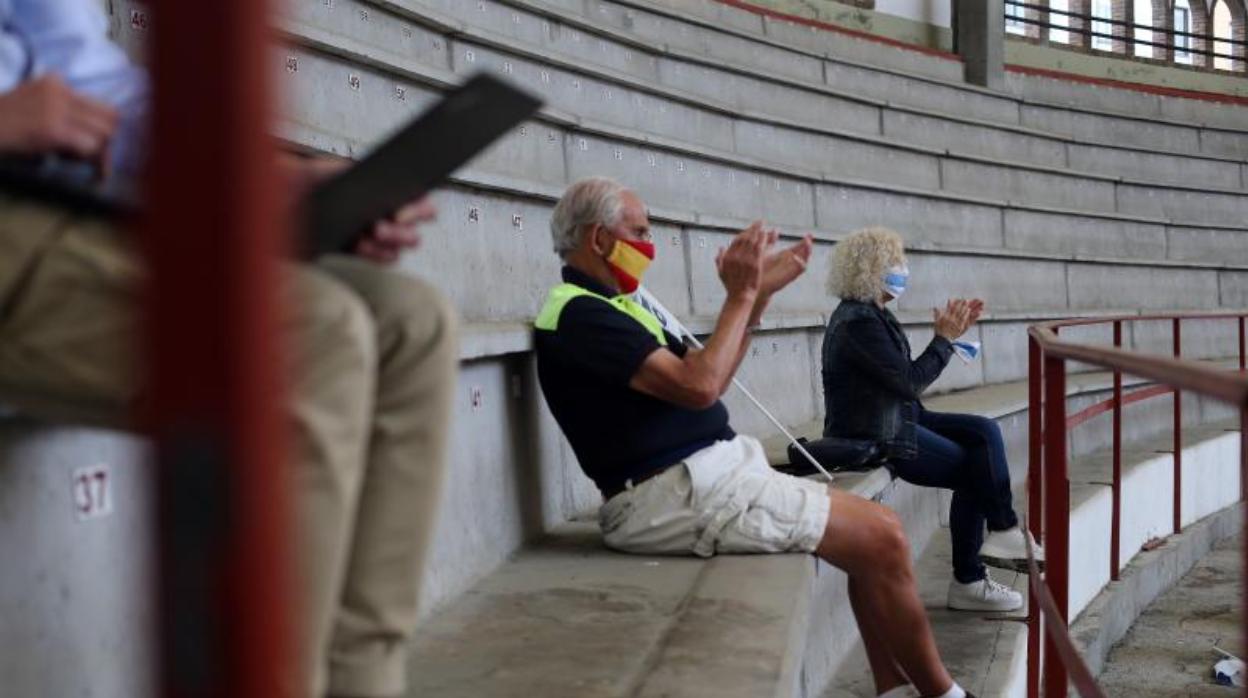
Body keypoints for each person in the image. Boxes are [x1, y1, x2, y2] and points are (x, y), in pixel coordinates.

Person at [0, 2, 456, 697]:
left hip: (70, 201)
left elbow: (92, 84)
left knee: (410, 321)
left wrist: (272, 179)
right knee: (309, 335)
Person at [534, 177, 978, 698]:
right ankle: (945, 696)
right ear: (599, 239)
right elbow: (700, 387)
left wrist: (756, 299)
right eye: (639, 231)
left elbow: (712, 373)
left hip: (702, 476)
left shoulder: (615, 304)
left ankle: (894, 689)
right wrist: (741, 296)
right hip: (669, 494)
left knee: (876, 537)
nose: (649, 244)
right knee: (885, 538)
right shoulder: (578, 312)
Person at [820, 226, 1044, 614]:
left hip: (898, 418)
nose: (902, 269)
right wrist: (943, 341)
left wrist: (949, 337)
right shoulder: (858, 322)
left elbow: (900, 383)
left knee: (984, 432)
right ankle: (970, 579)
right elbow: (908, 382)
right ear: (871, 269)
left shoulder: (872, 314)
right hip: (875, 431)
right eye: (893, 262)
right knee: (977, 467)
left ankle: (1005, 530)